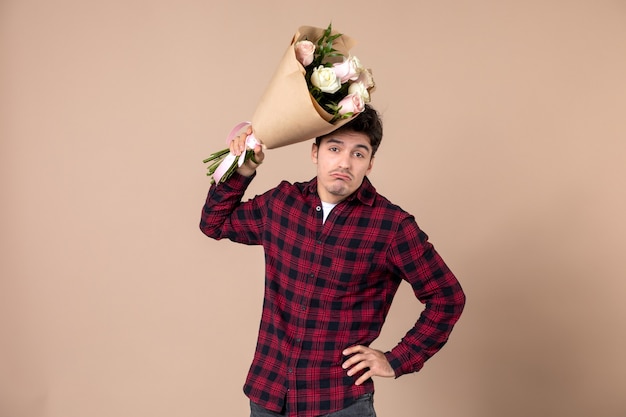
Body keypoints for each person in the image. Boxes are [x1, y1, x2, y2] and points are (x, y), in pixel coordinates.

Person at [200, 105, 466, 417]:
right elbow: (214, 223)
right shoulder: (282, 203)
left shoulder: (391, 226)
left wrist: (397, 359)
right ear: (315, 152)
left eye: (358, 153)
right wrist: (242, 169)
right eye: (335, 148)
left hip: (338, 402)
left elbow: (447, 297)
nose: (344, 162)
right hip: (268, 394)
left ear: (370, 163)